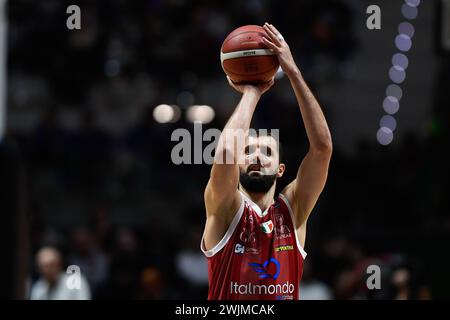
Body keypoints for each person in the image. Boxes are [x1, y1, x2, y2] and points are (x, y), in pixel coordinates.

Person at [201, 23, 332, 300]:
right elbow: (224, 155)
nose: (258, 156)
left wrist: (292, 71)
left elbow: (321, 149)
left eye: (268, 153)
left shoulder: (293, 212)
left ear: (281, 170)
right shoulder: (224, 208)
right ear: (238, 164)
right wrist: (252, 92)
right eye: (248, 151)